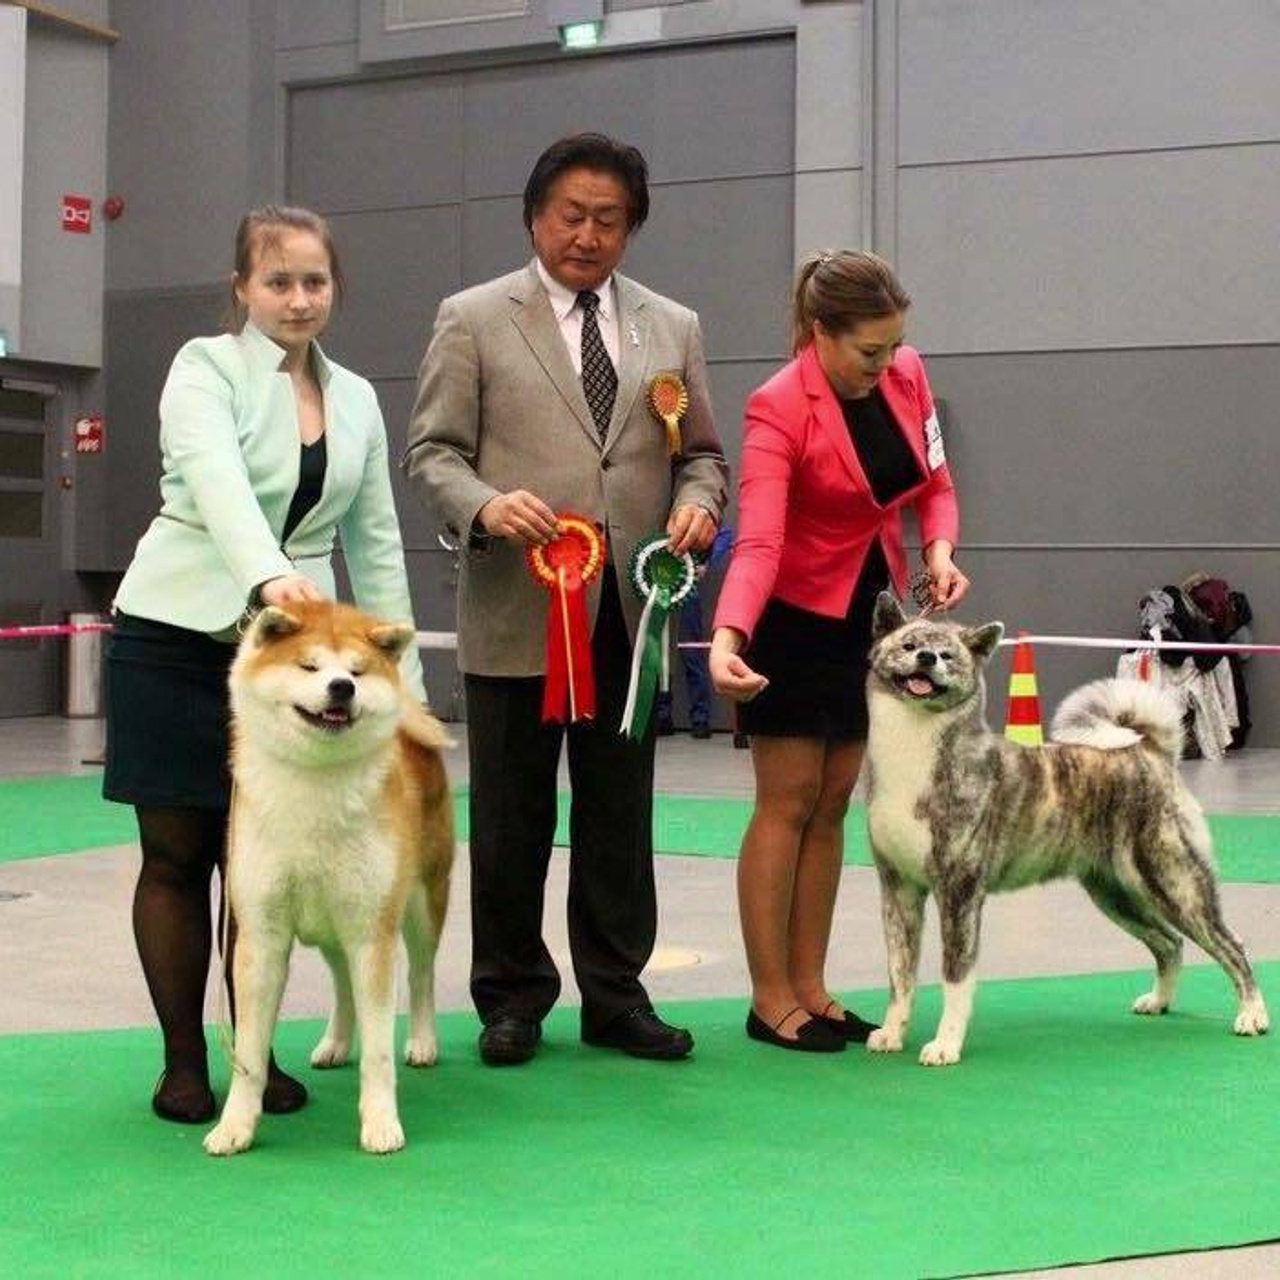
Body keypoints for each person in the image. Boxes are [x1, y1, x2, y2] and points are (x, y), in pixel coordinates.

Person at [405, 133, 728, 1066]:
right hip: (518, 609)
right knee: (509, 818)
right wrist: (486, 505)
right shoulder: (471, 318)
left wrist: (698, 507)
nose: (587, 235)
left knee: (621, 818)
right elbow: (431, 453)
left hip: (632, 614)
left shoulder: (674, 326)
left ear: (632, 229)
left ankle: (616, 996)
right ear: (535, 216)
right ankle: (510, 998)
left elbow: (701, 455)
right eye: (571, 215)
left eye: (609, 220)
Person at [104, 205, 425, 1122]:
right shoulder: (203, 369)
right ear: (241, 288)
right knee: (177, 856)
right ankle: (181, 1063)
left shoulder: (359, 396)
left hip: (299, 672)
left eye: (314, 281)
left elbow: (377, 541)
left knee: (267, 867)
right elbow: (216, 481)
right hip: (174, 636)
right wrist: (272, 581)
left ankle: (253, 1060)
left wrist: (400, 690)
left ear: (335, 290)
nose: (297, 298)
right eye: (277, 280)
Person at [709, 250, 968, 1052]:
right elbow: (759, 541)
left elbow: (936, 483)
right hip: (788, 615)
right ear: (820, 333)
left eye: (894, 348)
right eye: (869, 351)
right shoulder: (776, 408)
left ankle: (813, 987)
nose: (886, 364)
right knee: (786, 803)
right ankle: (769, 996)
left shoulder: (907, 374)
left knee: (832, 803)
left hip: (870, 609)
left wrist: (941, 551)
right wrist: (728, 636)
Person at [654, 525, 732, 739]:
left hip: (687, 589)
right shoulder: (657, 514)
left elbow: (724, 533)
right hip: (658, 588)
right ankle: (662, 715)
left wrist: (707, 563)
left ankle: (700, 718)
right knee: (658, 652)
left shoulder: (692, 513)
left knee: (692, 654)